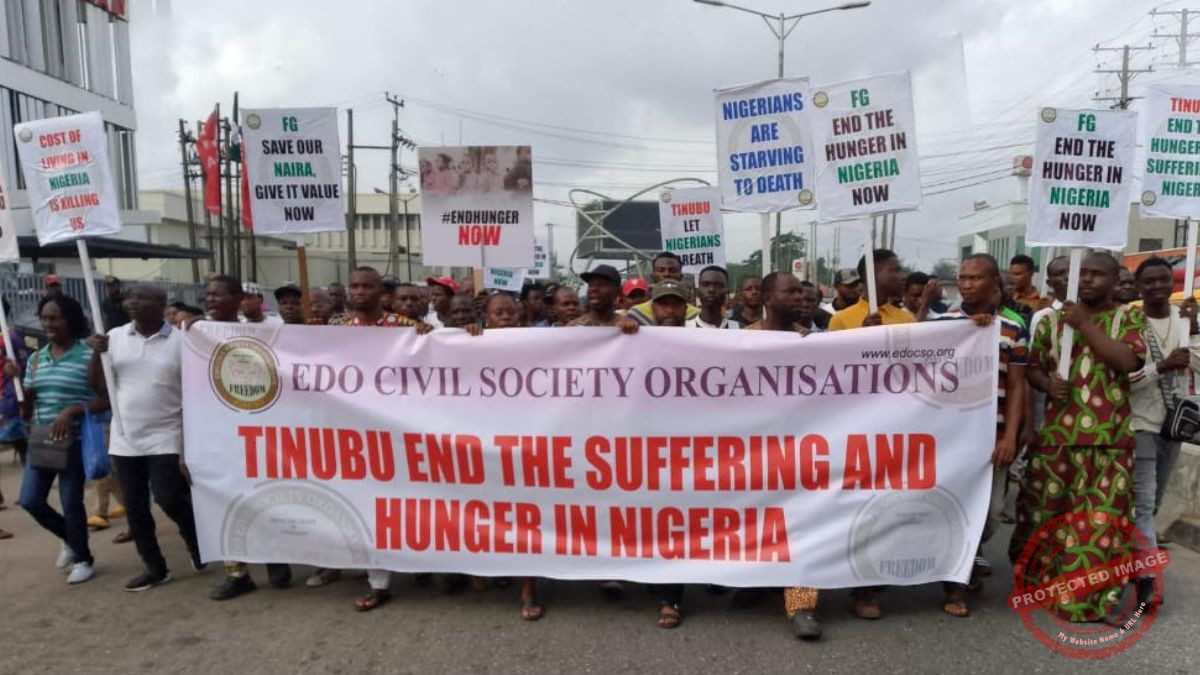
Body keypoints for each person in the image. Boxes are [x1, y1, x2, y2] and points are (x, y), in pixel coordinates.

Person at [1017, 251, 1145, 623]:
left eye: (1097, 274)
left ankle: (1089, 602)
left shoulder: (1128, 316)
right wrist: (1048, 384)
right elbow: (1034, 371)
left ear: (1113, 278)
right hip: (1059, 438)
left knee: (1101, 523)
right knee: (1050, 517)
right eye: (1081, 274)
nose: (1088, 280)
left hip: (1110, 441)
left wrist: (1085, 325)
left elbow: (1127, 362)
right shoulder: (1051, 323)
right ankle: (1047, 586)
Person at [325, 267, 433, 610]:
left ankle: (422, 563)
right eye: (354, 286)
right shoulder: (333, 330)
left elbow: (434, 359)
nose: (359, 292)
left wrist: (429, 337)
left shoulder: (404, 327)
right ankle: (379, 581)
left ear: (379, 292)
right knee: (368, 506)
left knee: (410, 501)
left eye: (366, 286)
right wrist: (202, 329)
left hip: (400, 430)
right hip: (355, 433)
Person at [85, 285, 202, 592]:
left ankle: (196, 540)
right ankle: (154, 567)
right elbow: (98, 386)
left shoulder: (181, 341)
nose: (133, 303)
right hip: (126, 437)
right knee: (135, 508)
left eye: (142, 298)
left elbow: (194, 389)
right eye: (129, 298)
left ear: (161, 304)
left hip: (167, 433)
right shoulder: (115, 338)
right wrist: (98, 354)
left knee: (168, 497)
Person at [937, 254, 1027, 617]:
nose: (967, 284)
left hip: (994, 439)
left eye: (976, 278)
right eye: (962, 278)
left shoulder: (1013, 328)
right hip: (952, 439)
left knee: (989, 516)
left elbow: (1019, 387)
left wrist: (1010, 436)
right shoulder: (942, 325)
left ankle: (971, 559)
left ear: (995, 284)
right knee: (955, 511)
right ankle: (956, 586)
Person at [200, 276, 294, 600]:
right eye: (208, 294)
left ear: (238, 298)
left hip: (259, 430)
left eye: (219, 294)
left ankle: (276, 556)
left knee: (265, 496)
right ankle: (237, 572)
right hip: (214, 434)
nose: (211, 299)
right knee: (224, 501)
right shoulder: (194, 335)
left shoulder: (258, 334)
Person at [1128, 257, 1199, 610]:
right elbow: (1121, 378)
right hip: (1140, 422)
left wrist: (1195, 329)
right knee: (1143, 502)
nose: (1158, 286)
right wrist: (1161, 367)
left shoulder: (1183, 320)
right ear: (1139, 286)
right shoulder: (1129, 322)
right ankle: (1147, 581)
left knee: (1151, 504)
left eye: (1164, 280)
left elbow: (1194, 368)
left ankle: (1131, 555)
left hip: (1175, 426)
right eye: (1150, 281)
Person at [17, 294, 98, 584]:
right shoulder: (37, 358)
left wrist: (73, 410)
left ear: (70, 319)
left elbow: (105, 399)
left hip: (74, 440)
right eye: (45, 318)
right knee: (29, 500)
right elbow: (28, 400)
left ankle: (84, 559)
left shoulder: (89, 354)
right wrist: (17, 378)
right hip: (42, 438)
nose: (48, 323)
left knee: (71, 501)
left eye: (55, 317)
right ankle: (71, 538)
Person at [0, 299, 30, 539]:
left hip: (8, 401)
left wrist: (19, 400)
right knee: (22, 445)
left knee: (23, 445)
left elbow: (22, 366)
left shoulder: (9, 337)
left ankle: (30, 487)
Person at [828, 250, 916, 331]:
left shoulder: (908, 320)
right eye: (896, 270)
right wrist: (865, 336)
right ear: (872, 274)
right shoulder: (840, 321)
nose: (903, 276)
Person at [627, 253, 700, 324]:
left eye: (672, 270)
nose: (666, 274)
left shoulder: (696, 315)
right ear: (653, 276)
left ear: (680, 276)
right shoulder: (636, 315)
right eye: (660, 270)